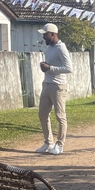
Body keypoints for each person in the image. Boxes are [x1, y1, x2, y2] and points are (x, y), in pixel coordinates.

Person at [36, 22, 73, 155]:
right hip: (47, 83)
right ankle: (48, 142)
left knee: (60, 116)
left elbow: (69, 68)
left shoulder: (61, 48)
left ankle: (60, 144)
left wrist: (50, 68)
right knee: (42, 114)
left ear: (53, 34)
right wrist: (45, 66)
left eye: (45, 35)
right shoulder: (50, 48)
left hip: (58, 86)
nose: (44, 37)